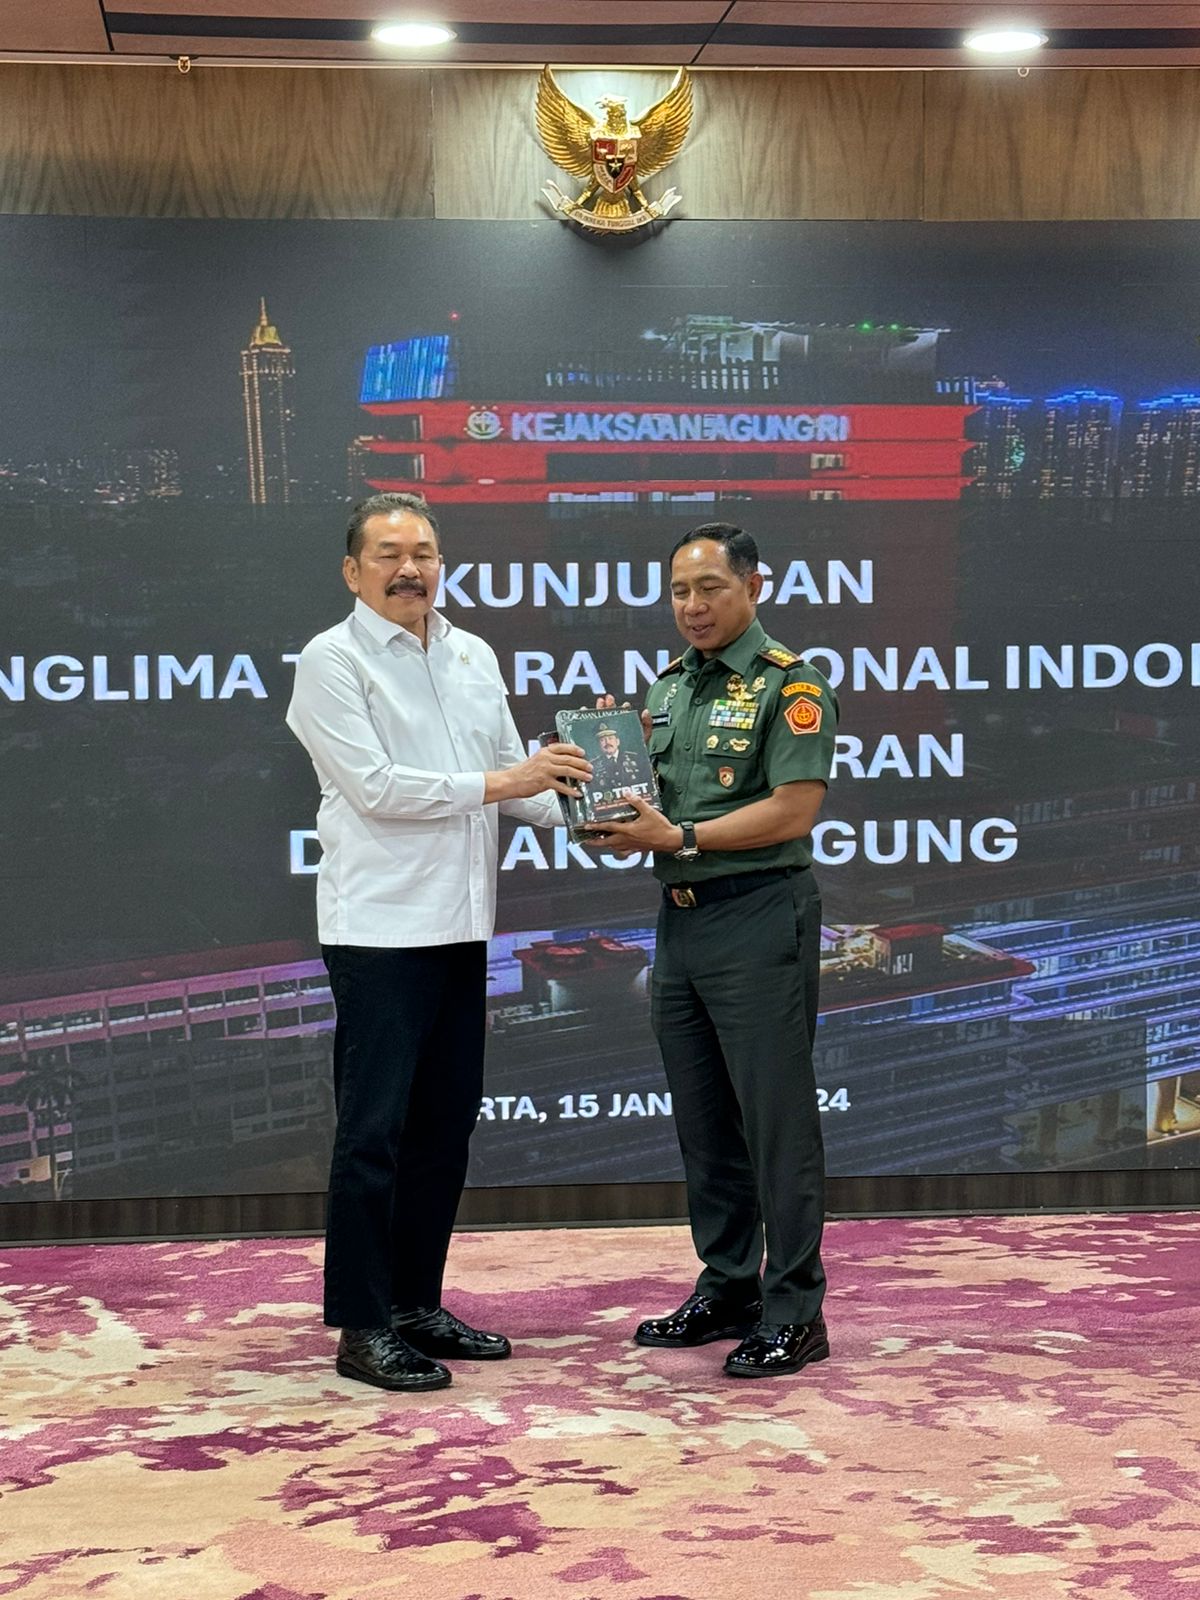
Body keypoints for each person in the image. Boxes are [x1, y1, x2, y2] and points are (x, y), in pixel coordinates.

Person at [286, 491, 591, 1392]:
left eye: (422, 552)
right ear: (353, 571)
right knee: (372, 1135)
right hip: (380, 930)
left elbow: (517, 783)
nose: (408, 568)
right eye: (388, 554)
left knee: (444, 1130)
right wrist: (511, 780)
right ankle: (362, 1326)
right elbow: (379, 789)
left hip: (464, 927)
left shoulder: (472, 653)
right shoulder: (331, 661)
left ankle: (416, 1304)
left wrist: (596, 804)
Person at [588, 521, 838, 1379]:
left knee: (776, 1122)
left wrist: (681, 836)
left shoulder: (790, 685)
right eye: (679, 591)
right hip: (681, 922)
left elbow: (793, 808)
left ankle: (795, 1309)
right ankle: (728, 1286)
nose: (692, 606)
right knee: (704, 1122)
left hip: (759, 914)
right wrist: (608, 798)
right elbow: (652, 804)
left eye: (710, 588)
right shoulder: (666, 690)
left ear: (754, 587)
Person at [590, 724, 644, 799]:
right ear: (599, 745)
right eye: (602, 740)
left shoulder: (635, 758)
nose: (607, 742)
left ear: (617, 741)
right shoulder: (593, 766)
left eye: (610, 738)